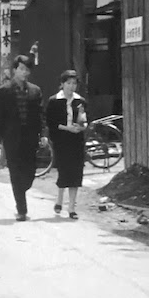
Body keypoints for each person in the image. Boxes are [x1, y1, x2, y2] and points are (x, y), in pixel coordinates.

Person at [0, 54, 47, 222]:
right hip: (11, 138)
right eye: (21, 69)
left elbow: (40, 115)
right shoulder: (3, 91)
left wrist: (43, 134)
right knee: (15, 172)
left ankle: (22, 189)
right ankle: (21, 210)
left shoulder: (35, 91)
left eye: (27, 69)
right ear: (15, 70)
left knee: (30, 172)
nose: (24, 72)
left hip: (30, 137)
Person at [44, 70, 86, 219]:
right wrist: (67, 128)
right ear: (62, 84)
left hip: (77, 141)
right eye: (68, 83)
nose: (71, 86)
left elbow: (86, 119)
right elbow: (51, 122)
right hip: (61, 140)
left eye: (74, 83)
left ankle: (72, 207)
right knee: (63, 170)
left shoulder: (80, 101)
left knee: (76, 172)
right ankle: (59, 199)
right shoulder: (54, 101)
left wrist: (82, 127)